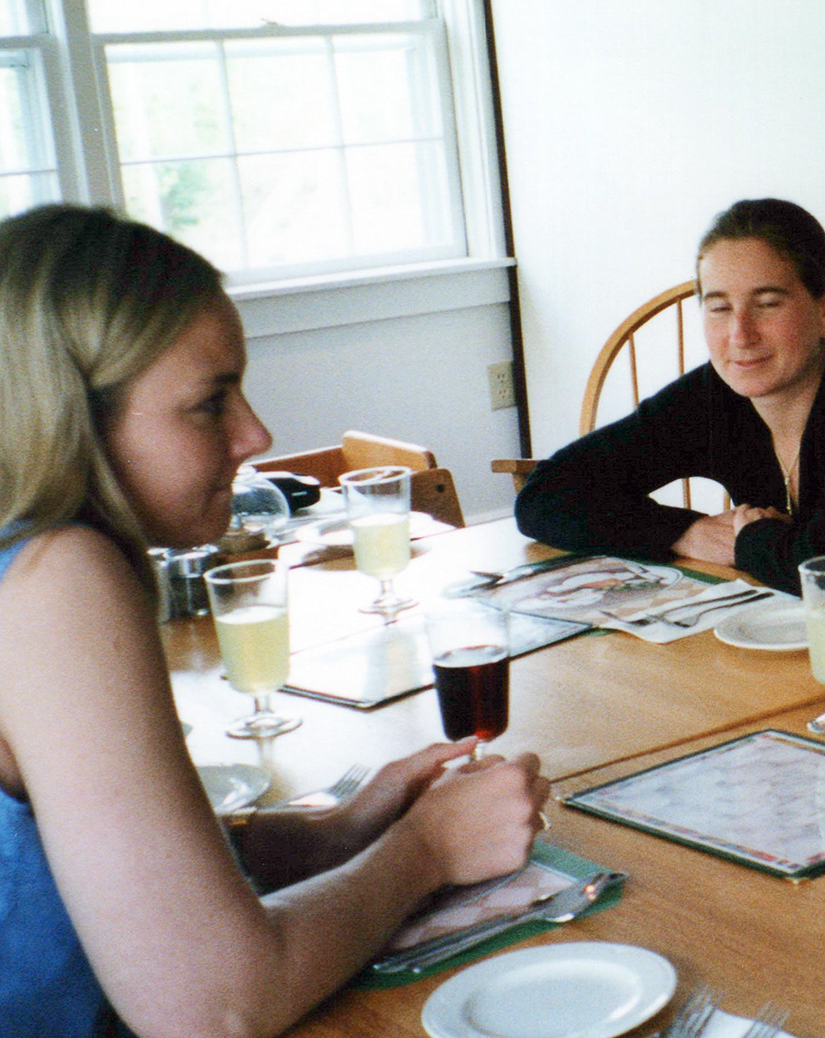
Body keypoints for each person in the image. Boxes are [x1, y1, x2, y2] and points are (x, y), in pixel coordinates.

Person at [0, 205, 551, 1038]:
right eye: (208, 403)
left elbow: (97, 863)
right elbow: (214, 1006)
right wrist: (426, 851)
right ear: (72, 414)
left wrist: (337, 831)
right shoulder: (58, 576)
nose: (255, 434)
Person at [515, 198, 825, 633]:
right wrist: (687, 532)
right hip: (807, 647)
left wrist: (748, 540)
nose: (740, 334)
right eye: (719, 308)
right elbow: (545, 495)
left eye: (767, 304)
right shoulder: (715, 396)